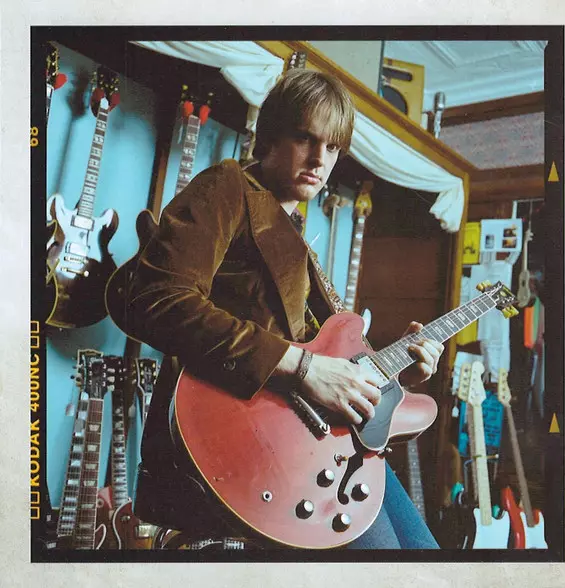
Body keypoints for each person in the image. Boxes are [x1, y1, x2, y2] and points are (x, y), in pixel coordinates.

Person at [121, 68, 443, 550]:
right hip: (251, 446)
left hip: (321, 444)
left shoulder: (294, 234)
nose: (319, 159)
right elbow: (157, 299)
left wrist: (395, 375)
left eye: (332, 147)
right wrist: (304, 368)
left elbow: (327, 358)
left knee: (427, 557)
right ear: (270, 136)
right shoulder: (227, 187)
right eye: (304, 138)